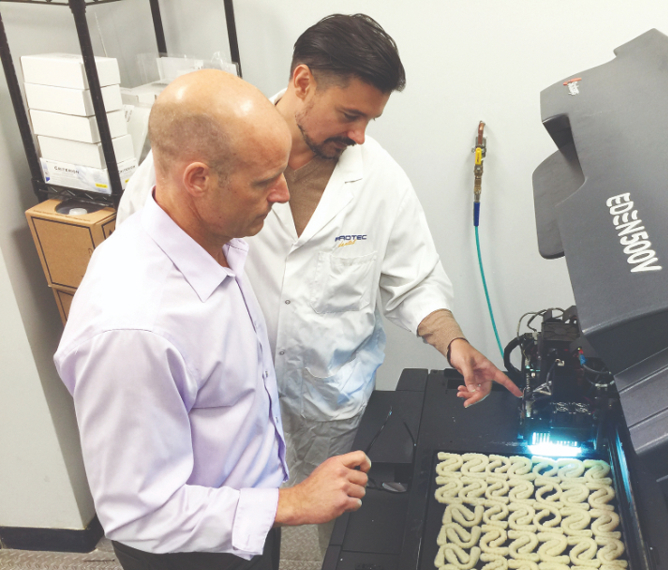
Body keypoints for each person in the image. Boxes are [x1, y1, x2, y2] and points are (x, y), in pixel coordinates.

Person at [117, 14, 522, 540]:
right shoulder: (210, 152)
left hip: (328, 401)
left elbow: (413, 278)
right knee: (241, 522)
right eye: (350, 115)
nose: (359, 135)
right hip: (232, 401)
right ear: (303, 82)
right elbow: (141, 256)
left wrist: (455, 343)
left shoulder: (378, 178)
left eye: (370, 119)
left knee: (335, 519)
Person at [54, 69, 370, 570]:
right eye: (265, 182)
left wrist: (272, 504)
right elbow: (138, 510)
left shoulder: (213, 236)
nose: (283, 195)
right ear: (197, 179)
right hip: (191, 554)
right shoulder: (134, 329)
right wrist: (289, 504)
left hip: (247, 504)